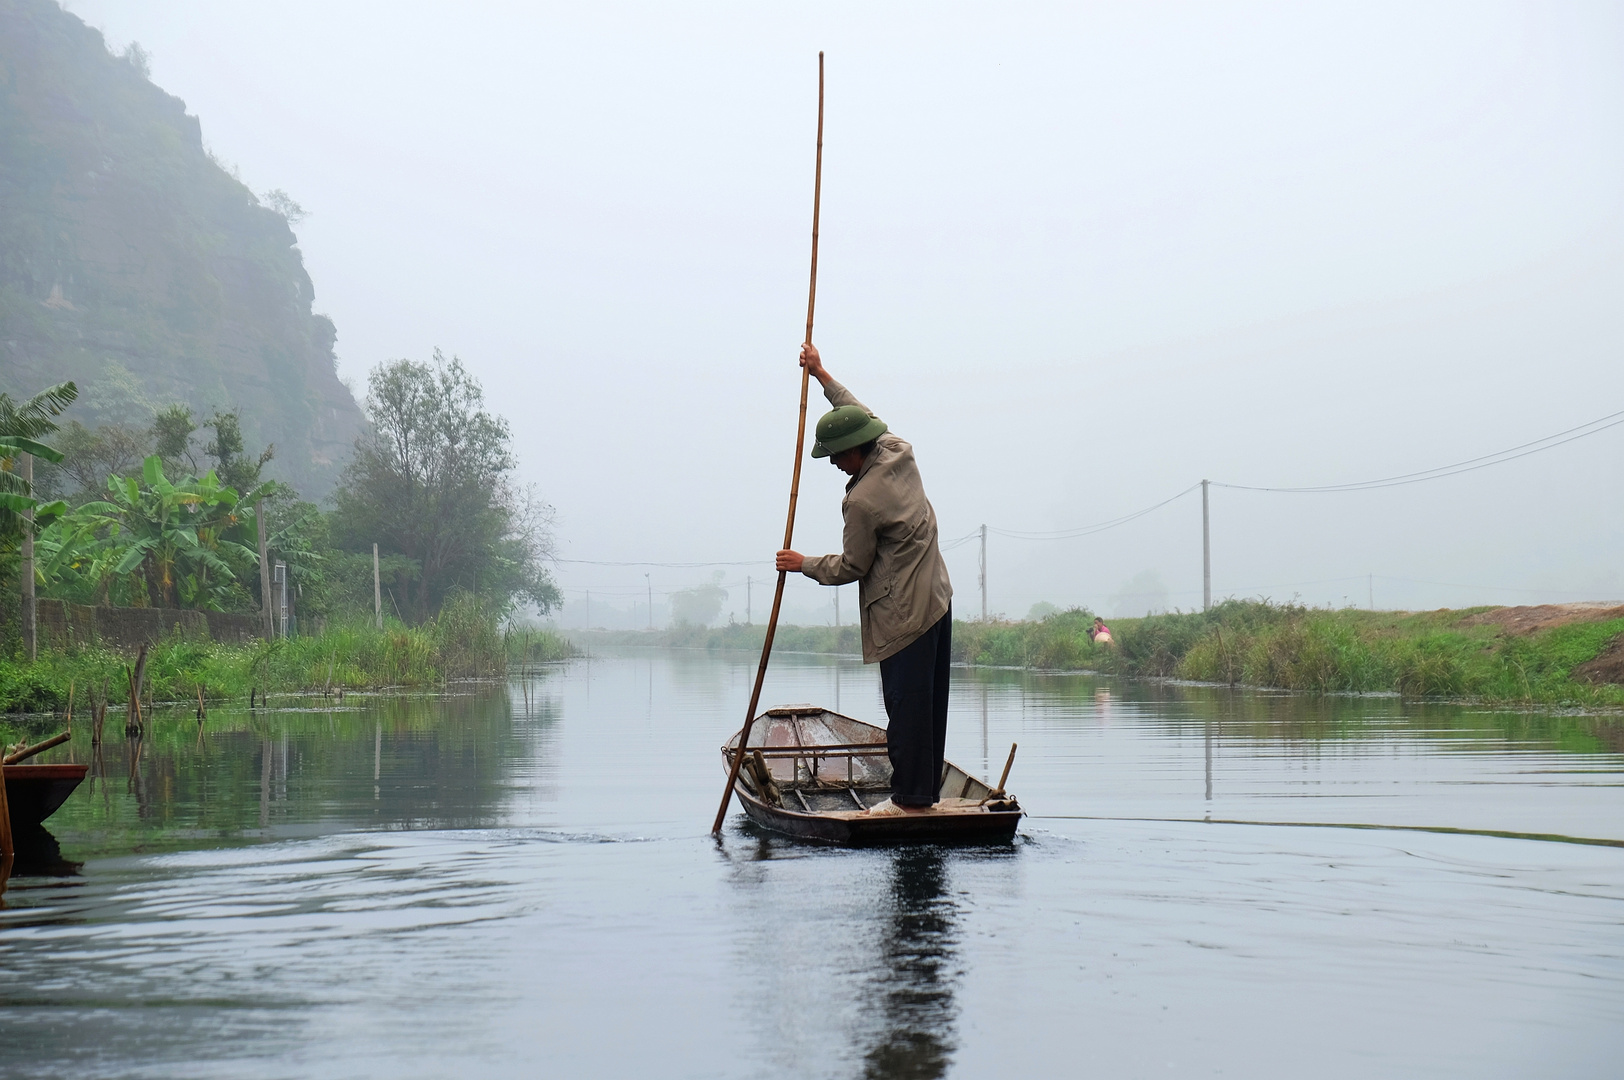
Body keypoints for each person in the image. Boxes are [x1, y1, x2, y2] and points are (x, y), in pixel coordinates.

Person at [776, 343, 953, 816]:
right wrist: (820, 373)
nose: (834, 464)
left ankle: (911, 802)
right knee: (930, 706)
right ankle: (925, 792)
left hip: (903, 615)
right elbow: (855, 409)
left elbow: (853, 566)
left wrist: (803, 563)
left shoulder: (862, 502)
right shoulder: (897, 449)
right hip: (937, 599)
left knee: (906, 707)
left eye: (836, 456)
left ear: (856, 448)